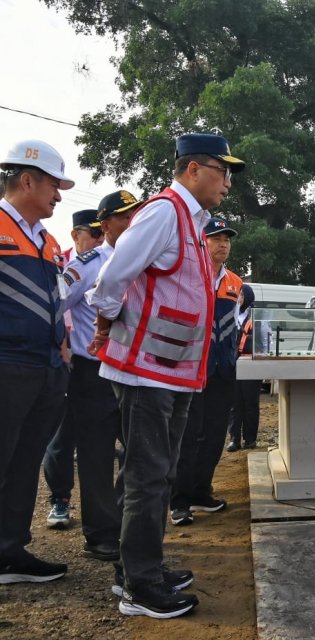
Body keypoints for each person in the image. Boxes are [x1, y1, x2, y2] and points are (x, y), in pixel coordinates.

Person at [86, 133, 244, 618]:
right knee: (147, 476)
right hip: (144, 371)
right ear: (194, 168)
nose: (229, 182)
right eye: (223, 170)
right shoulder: (163, 213)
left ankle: (139, 568)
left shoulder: (190, 223)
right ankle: (141, 585)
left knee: (155, 473)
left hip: (168, 372)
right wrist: (109, 321)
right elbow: (111, 277)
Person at [43, 190, 141, 561]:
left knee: (140, 451)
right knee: (96, 454)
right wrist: (61, 347)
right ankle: (101, 534)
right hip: (94, 372)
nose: (132, 222)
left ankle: (123, 520)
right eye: (124, 217)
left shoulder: (144, 262)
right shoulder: (88, 264)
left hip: (134, 369)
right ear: (106, 224)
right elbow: (55, 301)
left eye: (136, 216)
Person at [0, 139, 74, 584]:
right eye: (53, 185)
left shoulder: (46, 241)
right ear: (27, 180)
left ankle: (10, 551)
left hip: (44, 368)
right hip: (6, 364)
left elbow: (55, 300)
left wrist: (62, 344)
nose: (59, 196)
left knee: (25, 463)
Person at [170, 216, 242, 526]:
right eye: (216, 238)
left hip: (222, 372)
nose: (223, 243)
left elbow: (239, 325)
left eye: (227, 239)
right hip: (190, 367)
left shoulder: (236, 284)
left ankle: (201, 492)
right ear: (203, 242)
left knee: (213, 436)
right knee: (188, 437)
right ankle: (179, 500)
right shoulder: (189, 276)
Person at [43, 207, 105, 529]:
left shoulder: (105, 262)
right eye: (91, 233)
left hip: (99, 366)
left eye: (101, 233)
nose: (97, 239)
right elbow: (53, 307)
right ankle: (60, 498)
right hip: (69, 363)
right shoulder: (63, 264)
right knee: (62, 435)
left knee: (99, 439)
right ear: (75, 235)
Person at [227, 284, 265, 452]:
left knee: (250, 403)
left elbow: (265, 342)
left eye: (241, 295)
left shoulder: (257, 316)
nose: (239, 298)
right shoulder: (231, 315)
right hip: (232, 366)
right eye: (237, 294)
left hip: (251, 365)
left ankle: (250, 439)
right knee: (234, 404)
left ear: (248, 296)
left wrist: (263, 364)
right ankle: (234, 439)